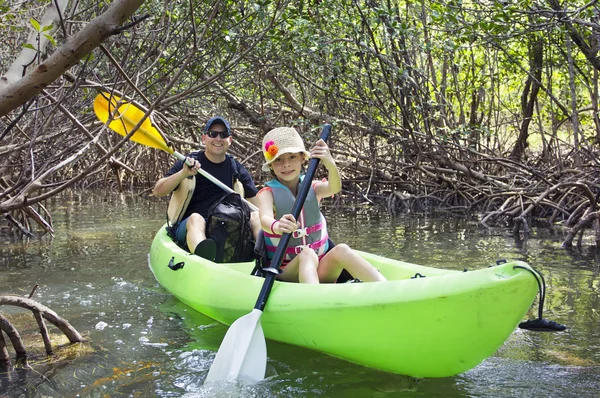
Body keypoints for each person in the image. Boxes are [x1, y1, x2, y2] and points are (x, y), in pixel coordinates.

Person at [257, 127, 387, 284]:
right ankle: (314, 302)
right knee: (307, 254)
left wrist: (330, 164)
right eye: (278, 159)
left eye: (292, 157)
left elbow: (334, 187)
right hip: (286, 271)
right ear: (271, 165)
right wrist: (277, 226)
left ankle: (386, 287)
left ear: (302, 159)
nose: (286, 164)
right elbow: (264, 219)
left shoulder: (312, 187)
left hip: (320, 267)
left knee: (342, 250)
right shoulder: (267, 193)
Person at [153, 116, 260, 260]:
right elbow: (158, 191)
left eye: (223, 134)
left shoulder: (237, 169)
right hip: (191, 226)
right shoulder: (189, 162)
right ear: (204, 138)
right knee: (196, 219)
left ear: (230, 140)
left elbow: (258, 206)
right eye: (213, 134)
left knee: (256, 216)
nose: (218, 138)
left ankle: (265, 256)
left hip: (226, 225)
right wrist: (183, 173)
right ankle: (204, 259)